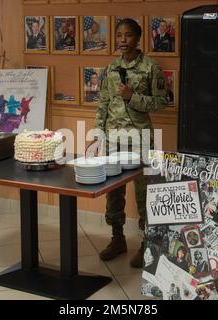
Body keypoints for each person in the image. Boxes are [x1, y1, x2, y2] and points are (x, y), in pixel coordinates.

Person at [86, 18, 167, 268]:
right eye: (119, 35)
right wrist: (97, 136)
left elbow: (162, 102)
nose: (122, 40)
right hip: (113, 139)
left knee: (144, 193)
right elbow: (103, 104)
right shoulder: (110, 69)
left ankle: (146, 244)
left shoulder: (150, 68)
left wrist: (134, 97)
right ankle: (117, 238)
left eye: (128, 35)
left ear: (138, 38)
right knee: (113, 191)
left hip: (140, 137)